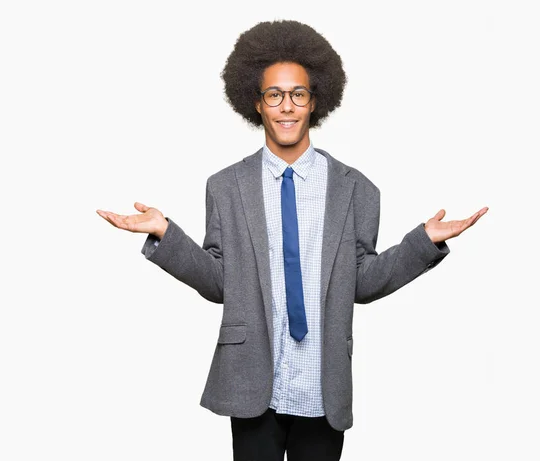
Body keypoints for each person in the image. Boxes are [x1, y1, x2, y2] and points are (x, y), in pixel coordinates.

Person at [96, 19, 488, 461]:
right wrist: (166, 232)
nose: (287, 107)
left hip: (321, 383)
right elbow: (219, 282)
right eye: (275, 95)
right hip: (253, 382)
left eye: (298, 94)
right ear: (257, 104)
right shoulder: (226, 186)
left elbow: (362, 283)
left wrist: (423, 244)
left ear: (315, 101)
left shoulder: (356, 189)